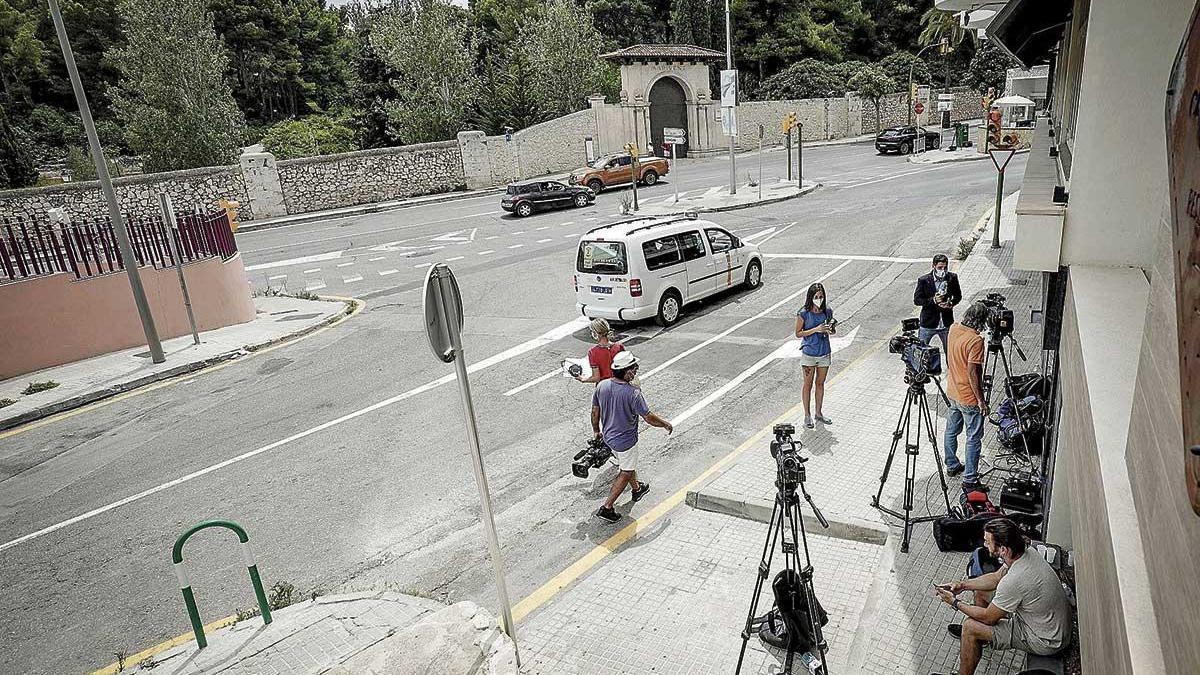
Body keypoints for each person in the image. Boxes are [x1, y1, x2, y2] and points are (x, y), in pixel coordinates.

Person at [932, 518, 1072, 675]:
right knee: (980, 592)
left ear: (1003, 549)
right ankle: (981, 639)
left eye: (987, 542)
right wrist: (962, 585)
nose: (984, 545)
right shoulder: (1024, 551)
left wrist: (954, 602)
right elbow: (996, 578)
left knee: (969, 627)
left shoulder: (1015, 580)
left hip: (1046, 639)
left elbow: (988, 617)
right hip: (1048, 622)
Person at [592, 351, 673, 522]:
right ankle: (607, 507)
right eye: (634, 369)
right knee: (626, 470)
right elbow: (649, 417)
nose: (636, 371)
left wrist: (596, 431)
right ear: (627, 372)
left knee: (628, 463)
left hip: (608, 437)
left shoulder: (602, 386)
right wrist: (665, 424)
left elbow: (595, 411)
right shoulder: (633, 393)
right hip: (626, 441)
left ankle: (637, 489)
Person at [944, 302, 990, 492]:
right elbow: (973, 373)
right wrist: (981, 400)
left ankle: (952, 465)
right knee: (973, 438)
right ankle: (970, 480)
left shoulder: (954, 328)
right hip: (968, 397)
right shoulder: (975, 341)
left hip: (953, 391)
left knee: (951, 430)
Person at [794, 282, 836, 429]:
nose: (819, 299)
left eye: (821, 296)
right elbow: (798, 333)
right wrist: (816, 329)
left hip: (824, 352)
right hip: (809, 353)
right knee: (808, 384)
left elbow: (832, 330)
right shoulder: (804, 313)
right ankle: (807, 415)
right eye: (816, 296)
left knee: (820, 383)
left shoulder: (827, 311)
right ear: (810, 297)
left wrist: (829, 329)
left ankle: (818, 413)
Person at [914, 254, 962, 355]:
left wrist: (951, 303)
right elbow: (917, 300)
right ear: (933, 266)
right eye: (940, 267)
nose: (943, 270)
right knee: (920, 352)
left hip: (946, 323)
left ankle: (951, 370)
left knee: (950, 353)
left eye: (945, 267)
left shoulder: (952, 278)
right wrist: (933, 300)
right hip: (928, 324)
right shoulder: (924, 280)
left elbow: (958, 296)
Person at [575, 318, 624, 384]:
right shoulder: (619, 347)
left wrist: (583, 379)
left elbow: (596, 378)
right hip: (621, 385)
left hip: (605, 387)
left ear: (595, 333)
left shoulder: (593, 352)